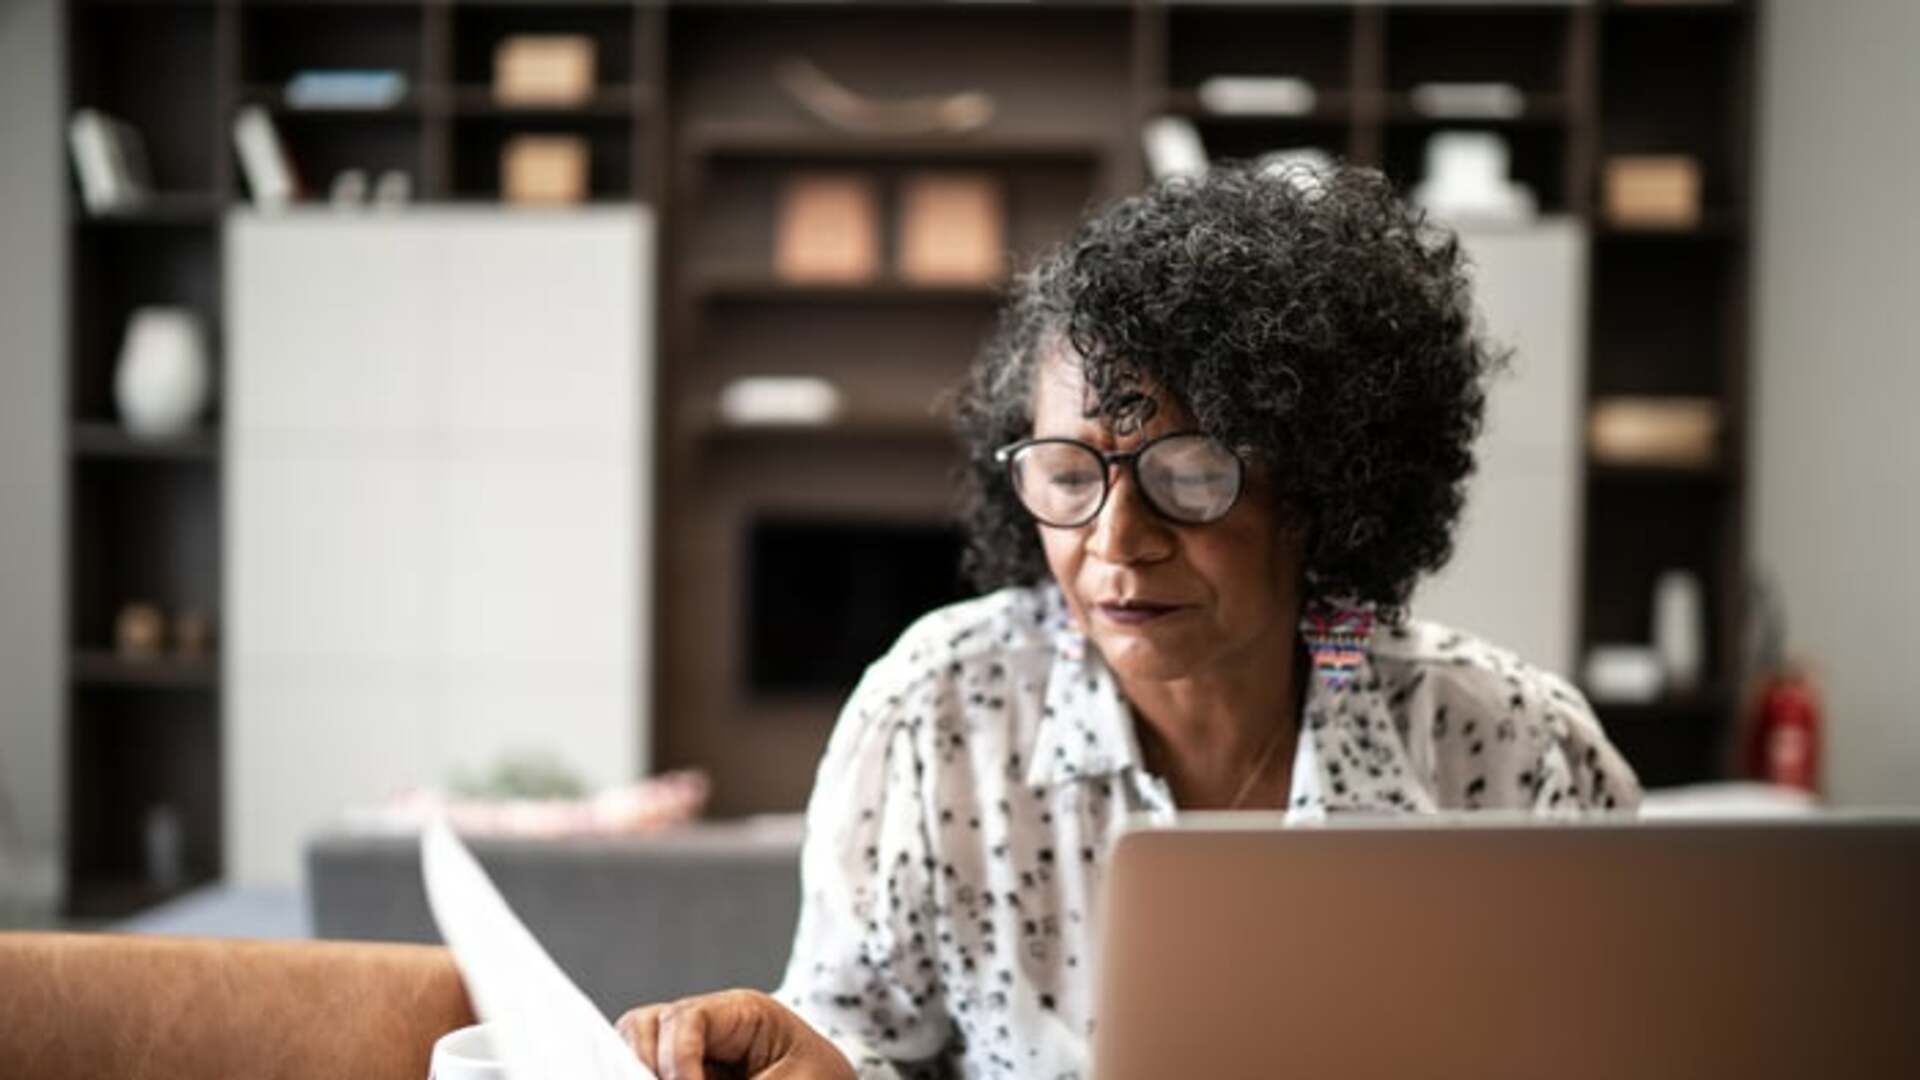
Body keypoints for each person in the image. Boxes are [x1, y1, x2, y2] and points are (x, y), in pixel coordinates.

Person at [617, 162, 1641, 1080]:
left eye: (1191, 478)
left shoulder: (1512, 753)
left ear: (1322, 486)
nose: (1116, 539)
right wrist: (821, 1065)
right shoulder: (937, 712)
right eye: (1068, 474)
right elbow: (863, 1037)